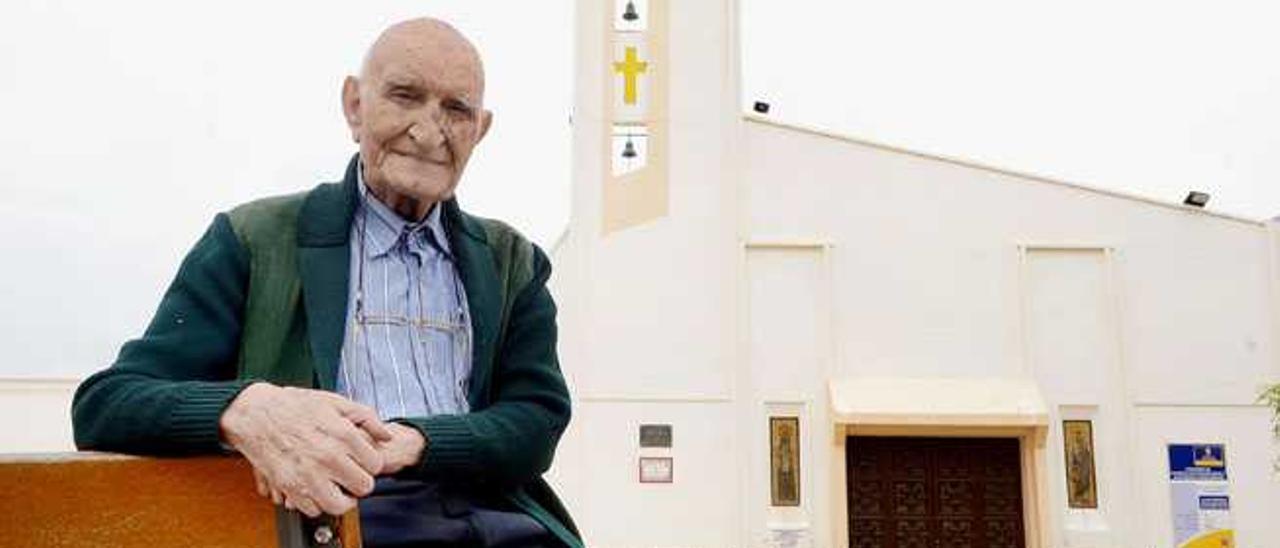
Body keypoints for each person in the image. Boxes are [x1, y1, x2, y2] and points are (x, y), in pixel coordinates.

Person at [71, 17, 580, 548]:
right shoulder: (254, 240)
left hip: (495, 523)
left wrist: (415, 442)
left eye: (456, 109)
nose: (430, 132)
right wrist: (246, 410)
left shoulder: (512, 261)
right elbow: (107, 404)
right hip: (334, 524)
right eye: (405, 96)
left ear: (481, 128)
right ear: (354, 106)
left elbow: (537, 419)